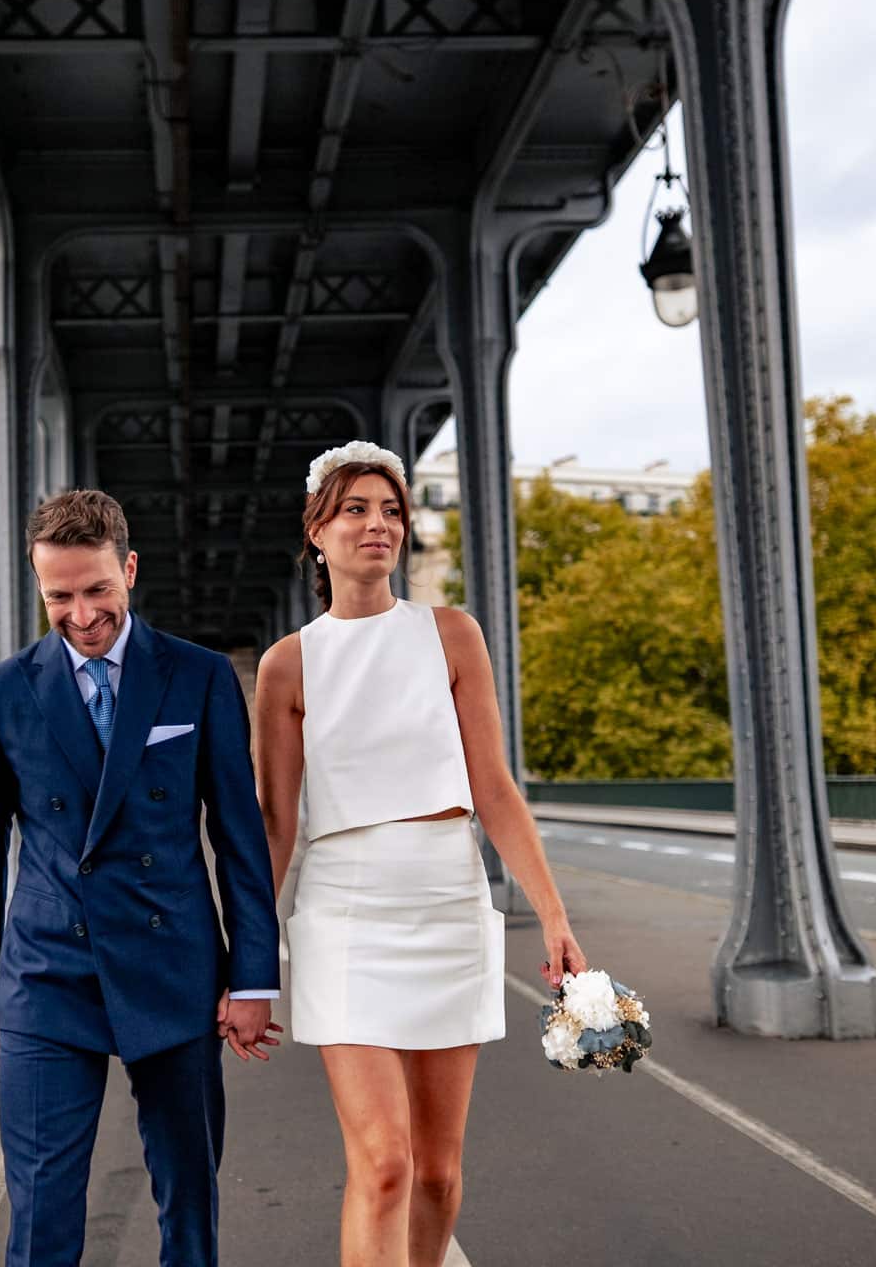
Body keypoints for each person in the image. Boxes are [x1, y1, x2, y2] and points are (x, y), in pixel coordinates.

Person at [253, 442, 588, 1267]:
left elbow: (497, 789)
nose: (378, 525)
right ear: (317, 532)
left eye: (392, 510)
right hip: (343, 913)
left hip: (448, 903)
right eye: (356, 509)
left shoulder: (452, 635)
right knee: (388, 1165)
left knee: (438, 1174)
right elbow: (274, 823)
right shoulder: (285, 664)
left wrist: (553, 916)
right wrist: (247, 961)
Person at [0, 488, 281, 1267]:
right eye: (59, 596)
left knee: (190, 1200)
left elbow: (239, 836)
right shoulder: (1, 692)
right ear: (40, 589)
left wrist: (254, 977)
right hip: (47, 971)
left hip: (174, 968)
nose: (81, 613)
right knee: (39, 1215)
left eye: (97, 589)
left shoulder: (198, 677)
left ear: (128, 570)